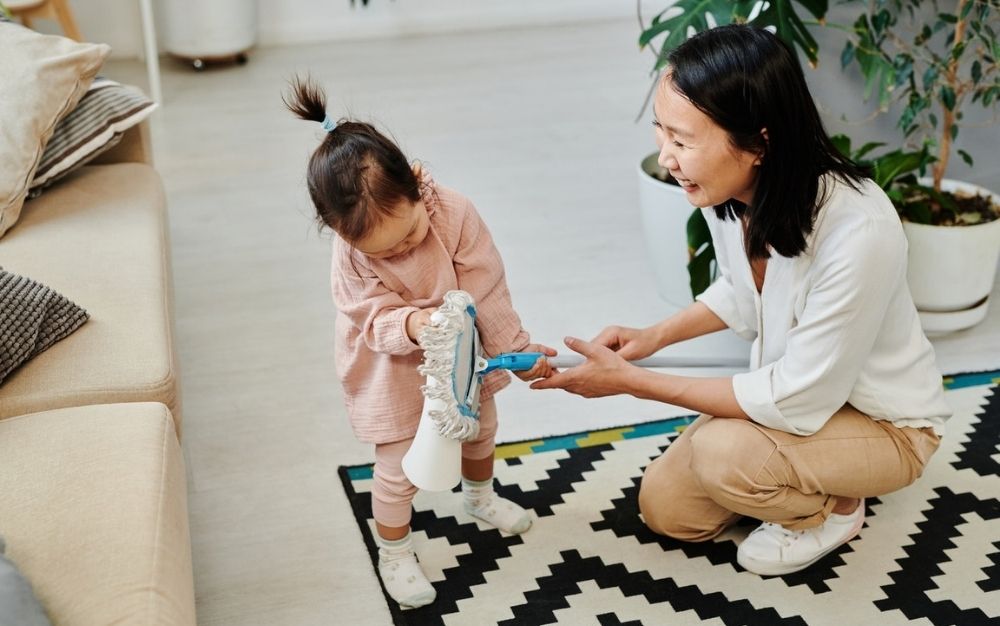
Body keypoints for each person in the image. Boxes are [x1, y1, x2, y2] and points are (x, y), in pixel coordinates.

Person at [531, 24, 951, 576]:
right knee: (667, 510)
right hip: (804, 396)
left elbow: (799, 396)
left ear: (759, 142)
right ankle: (794, 473)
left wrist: (630, 383)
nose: (666, 159)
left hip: (886, 425)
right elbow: (742, 291)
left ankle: (835, 507)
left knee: (721, 455)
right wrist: (651, 338)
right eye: (663, 135)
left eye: (682, 142)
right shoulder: (728, 193)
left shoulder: (858, 231)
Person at [284, 76, 555, 607]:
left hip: (465, 351)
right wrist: (410, 325)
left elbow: (487, 287)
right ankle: (393, 550)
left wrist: (518, 350)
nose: (403, 250)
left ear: (415, 185)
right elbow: (369, 317)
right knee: (397, 464)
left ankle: (479, 496)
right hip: (392, 362)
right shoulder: (352, 257)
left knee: (480, 428)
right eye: (385, 251)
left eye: (408, 235)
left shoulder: (453, 212)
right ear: (341, 234)